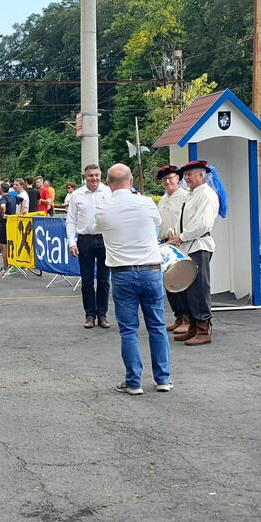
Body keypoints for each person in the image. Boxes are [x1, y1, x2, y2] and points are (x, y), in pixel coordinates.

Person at [95, 164, 171, 396]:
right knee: (157, 325)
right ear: (130, 182)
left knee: (129, 329)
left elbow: (97, 229)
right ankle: (163, 379)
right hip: (151, 270)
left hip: (122, 273)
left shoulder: (103, 210)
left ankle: (134, 381)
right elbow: (157, 224)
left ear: (108, 184)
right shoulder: (146, 202)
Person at [168, 161, 219, 346]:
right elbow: (183, 220)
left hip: (199, 246)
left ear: (201, 175)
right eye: (186, 175)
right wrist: (175, 235)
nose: (186, 178)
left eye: (190, 174)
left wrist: (180, 237)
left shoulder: (206, 194)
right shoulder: (191, 195)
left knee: (199, 289)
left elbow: (202, 223)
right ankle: (193, 327)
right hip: (188, 247)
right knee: (188, 289)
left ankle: (204, 330)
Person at [66, 164, 111, 329]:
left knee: (104, 280)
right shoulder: (76, 195)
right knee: (86, 280)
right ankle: (90, 315)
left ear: (101, 175)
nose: (94, 178)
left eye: (97, 175)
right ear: (85, 177)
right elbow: (71, 220)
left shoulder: (108, 192)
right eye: (91, 175)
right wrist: (71, 242)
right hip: (84, 240)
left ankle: (102, 315)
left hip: (105, 240)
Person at [155, 164, 191, 333]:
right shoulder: (163, 199)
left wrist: (179, 236)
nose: (168, 181)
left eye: (171, 178)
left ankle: (187, 318)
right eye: (165, 179)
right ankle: (178, 316)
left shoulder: (185, 197)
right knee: (170, 283)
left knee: (182, 283)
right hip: (165, 243)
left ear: (178, 178)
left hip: (179, 243)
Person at [0, 182, 19, 275]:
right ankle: (8, 265)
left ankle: (6, 267)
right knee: (4, 245)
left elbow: (2, 206)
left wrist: (3, 214)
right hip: (11, 223)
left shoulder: (3, 198)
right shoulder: (13, 197)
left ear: (1, 189)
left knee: (4, 246)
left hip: (4, 223)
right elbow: (22, 200)